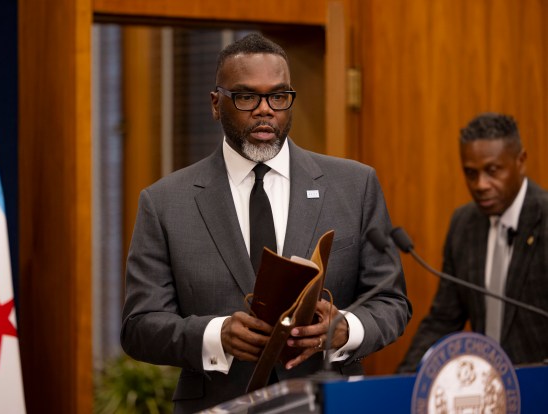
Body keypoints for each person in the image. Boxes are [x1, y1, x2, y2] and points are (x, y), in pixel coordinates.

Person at [121, 33, 411, 413]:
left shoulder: (354, 186)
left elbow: (391, 301)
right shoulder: (164, 203)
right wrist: (215, 335)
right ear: (215, 103)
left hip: (327, 402)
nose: (265, 110)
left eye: (278, 97)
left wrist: (344, 329)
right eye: (246, 97)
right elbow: (139, 327)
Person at [397, 113, 548, 373]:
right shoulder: (464, 224)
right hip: (488, 392)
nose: (480, 185)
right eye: (470, 173)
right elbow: (443, 320)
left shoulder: (544, 218)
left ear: (520, 161)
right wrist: (403, 383)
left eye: (492, 171)